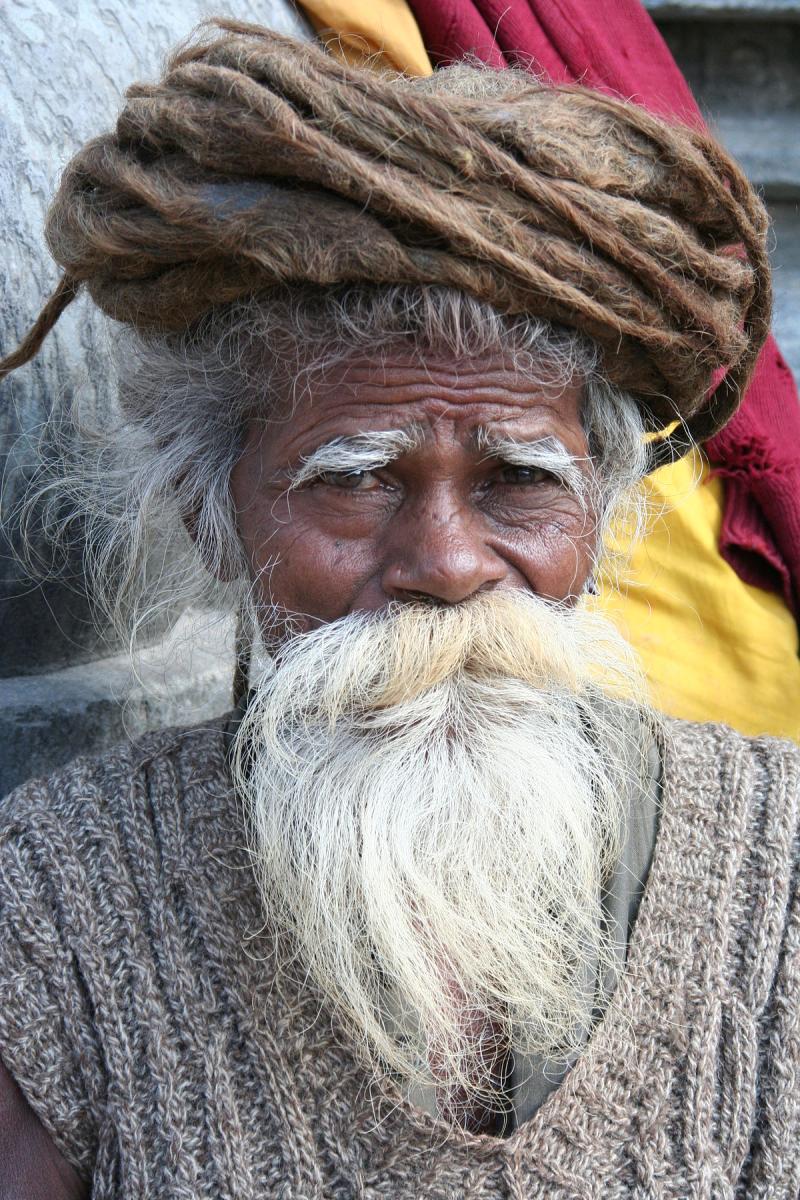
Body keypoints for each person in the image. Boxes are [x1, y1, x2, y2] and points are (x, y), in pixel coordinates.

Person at [1, 22, 798, 1198]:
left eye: (518, 482)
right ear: (207, 506)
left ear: (605, 509)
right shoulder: (55, 911)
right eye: (357, 478)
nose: (445, 564)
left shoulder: (779, 873)